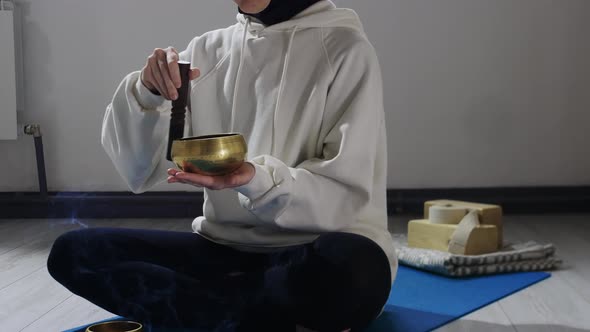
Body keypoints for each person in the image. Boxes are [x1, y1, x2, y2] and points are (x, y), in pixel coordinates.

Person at [47, 0, 397, 331]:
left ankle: (223, 315)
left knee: (356, 268)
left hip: (310, 254)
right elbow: (138, 169)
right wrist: (147, 91)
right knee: (75, 253)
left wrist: (257, 179)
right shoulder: (207, 51)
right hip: (223, 253)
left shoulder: (346, 49)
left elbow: (344, 194)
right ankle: (255, 321)